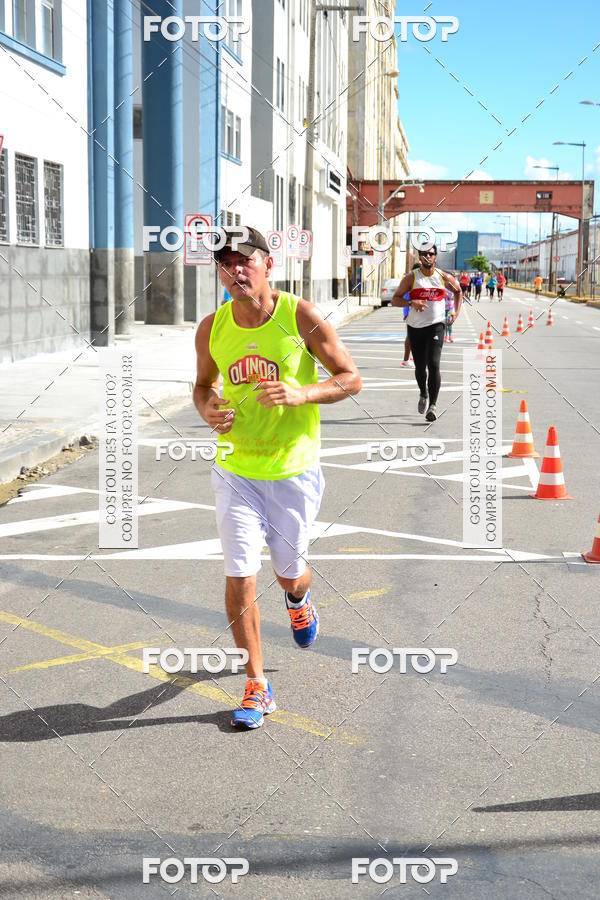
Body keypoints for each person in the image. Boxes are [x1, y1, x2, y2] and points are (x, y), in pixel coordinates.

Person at [193, 226, 362, 729]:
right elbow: (202, 386)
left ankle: (298, 599)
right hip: (236, 469)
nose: (235, 269)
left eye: (245, 259)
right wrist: (208, 410)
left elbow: (351, 378)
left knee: (289, 571)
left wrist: (303, 393)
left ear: (269, 265)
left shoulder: (300, 316)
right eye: (225, 262)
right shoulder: (212, 327)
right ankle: (256, 683)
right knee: (240, 574)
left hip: (292, 471)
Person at [391, 245, 461, 421]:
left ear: (436, 257)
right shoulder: (411, 278)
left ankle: (433, 406)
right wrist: (411, 303)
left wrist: (455, 313)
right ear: (420, 258)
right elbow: (395, 300)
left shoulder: (443, 277)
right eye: (424, 254)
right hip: (415, 328)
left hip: (436, 325)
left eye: (431, 254)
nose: (428, 257)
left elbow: (459, 291)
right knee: (420, 367)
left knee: (434, 364)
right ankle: (423, 392)